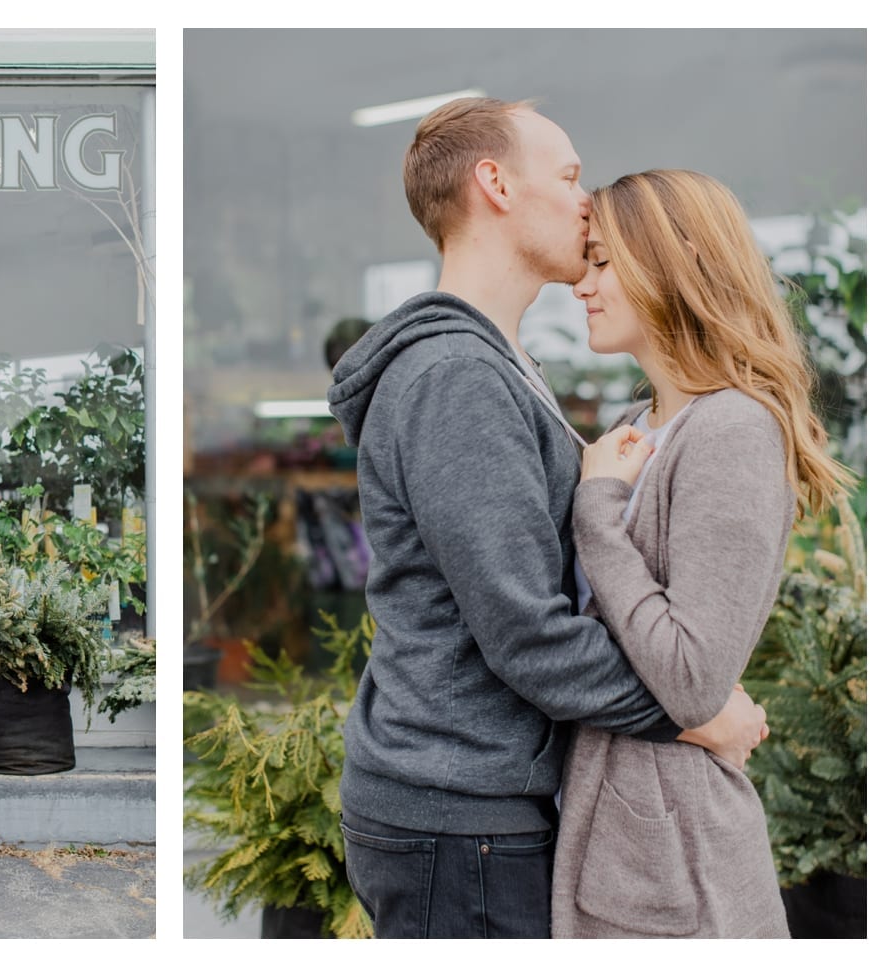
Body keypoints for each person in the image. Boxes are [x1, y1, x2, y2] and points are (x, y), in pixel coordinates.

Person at [325, 97, 769, 938]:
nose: (587, 199)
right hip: (460, 815)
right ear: (494, 182)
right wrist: (690, 712)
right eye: (567, 176)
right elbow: (528, 631)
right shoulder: (457, 377)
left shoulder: (496, 364)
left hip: (471, 800)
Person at [552, 169, 850, 937]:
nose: (581, 283)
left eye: (603, 261)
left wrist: (597, 511)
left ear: (672, 261)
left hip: (679, 865)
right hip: (622, 841)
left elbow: (691, 677)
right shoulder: (635, 425)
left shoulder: (731, 431)